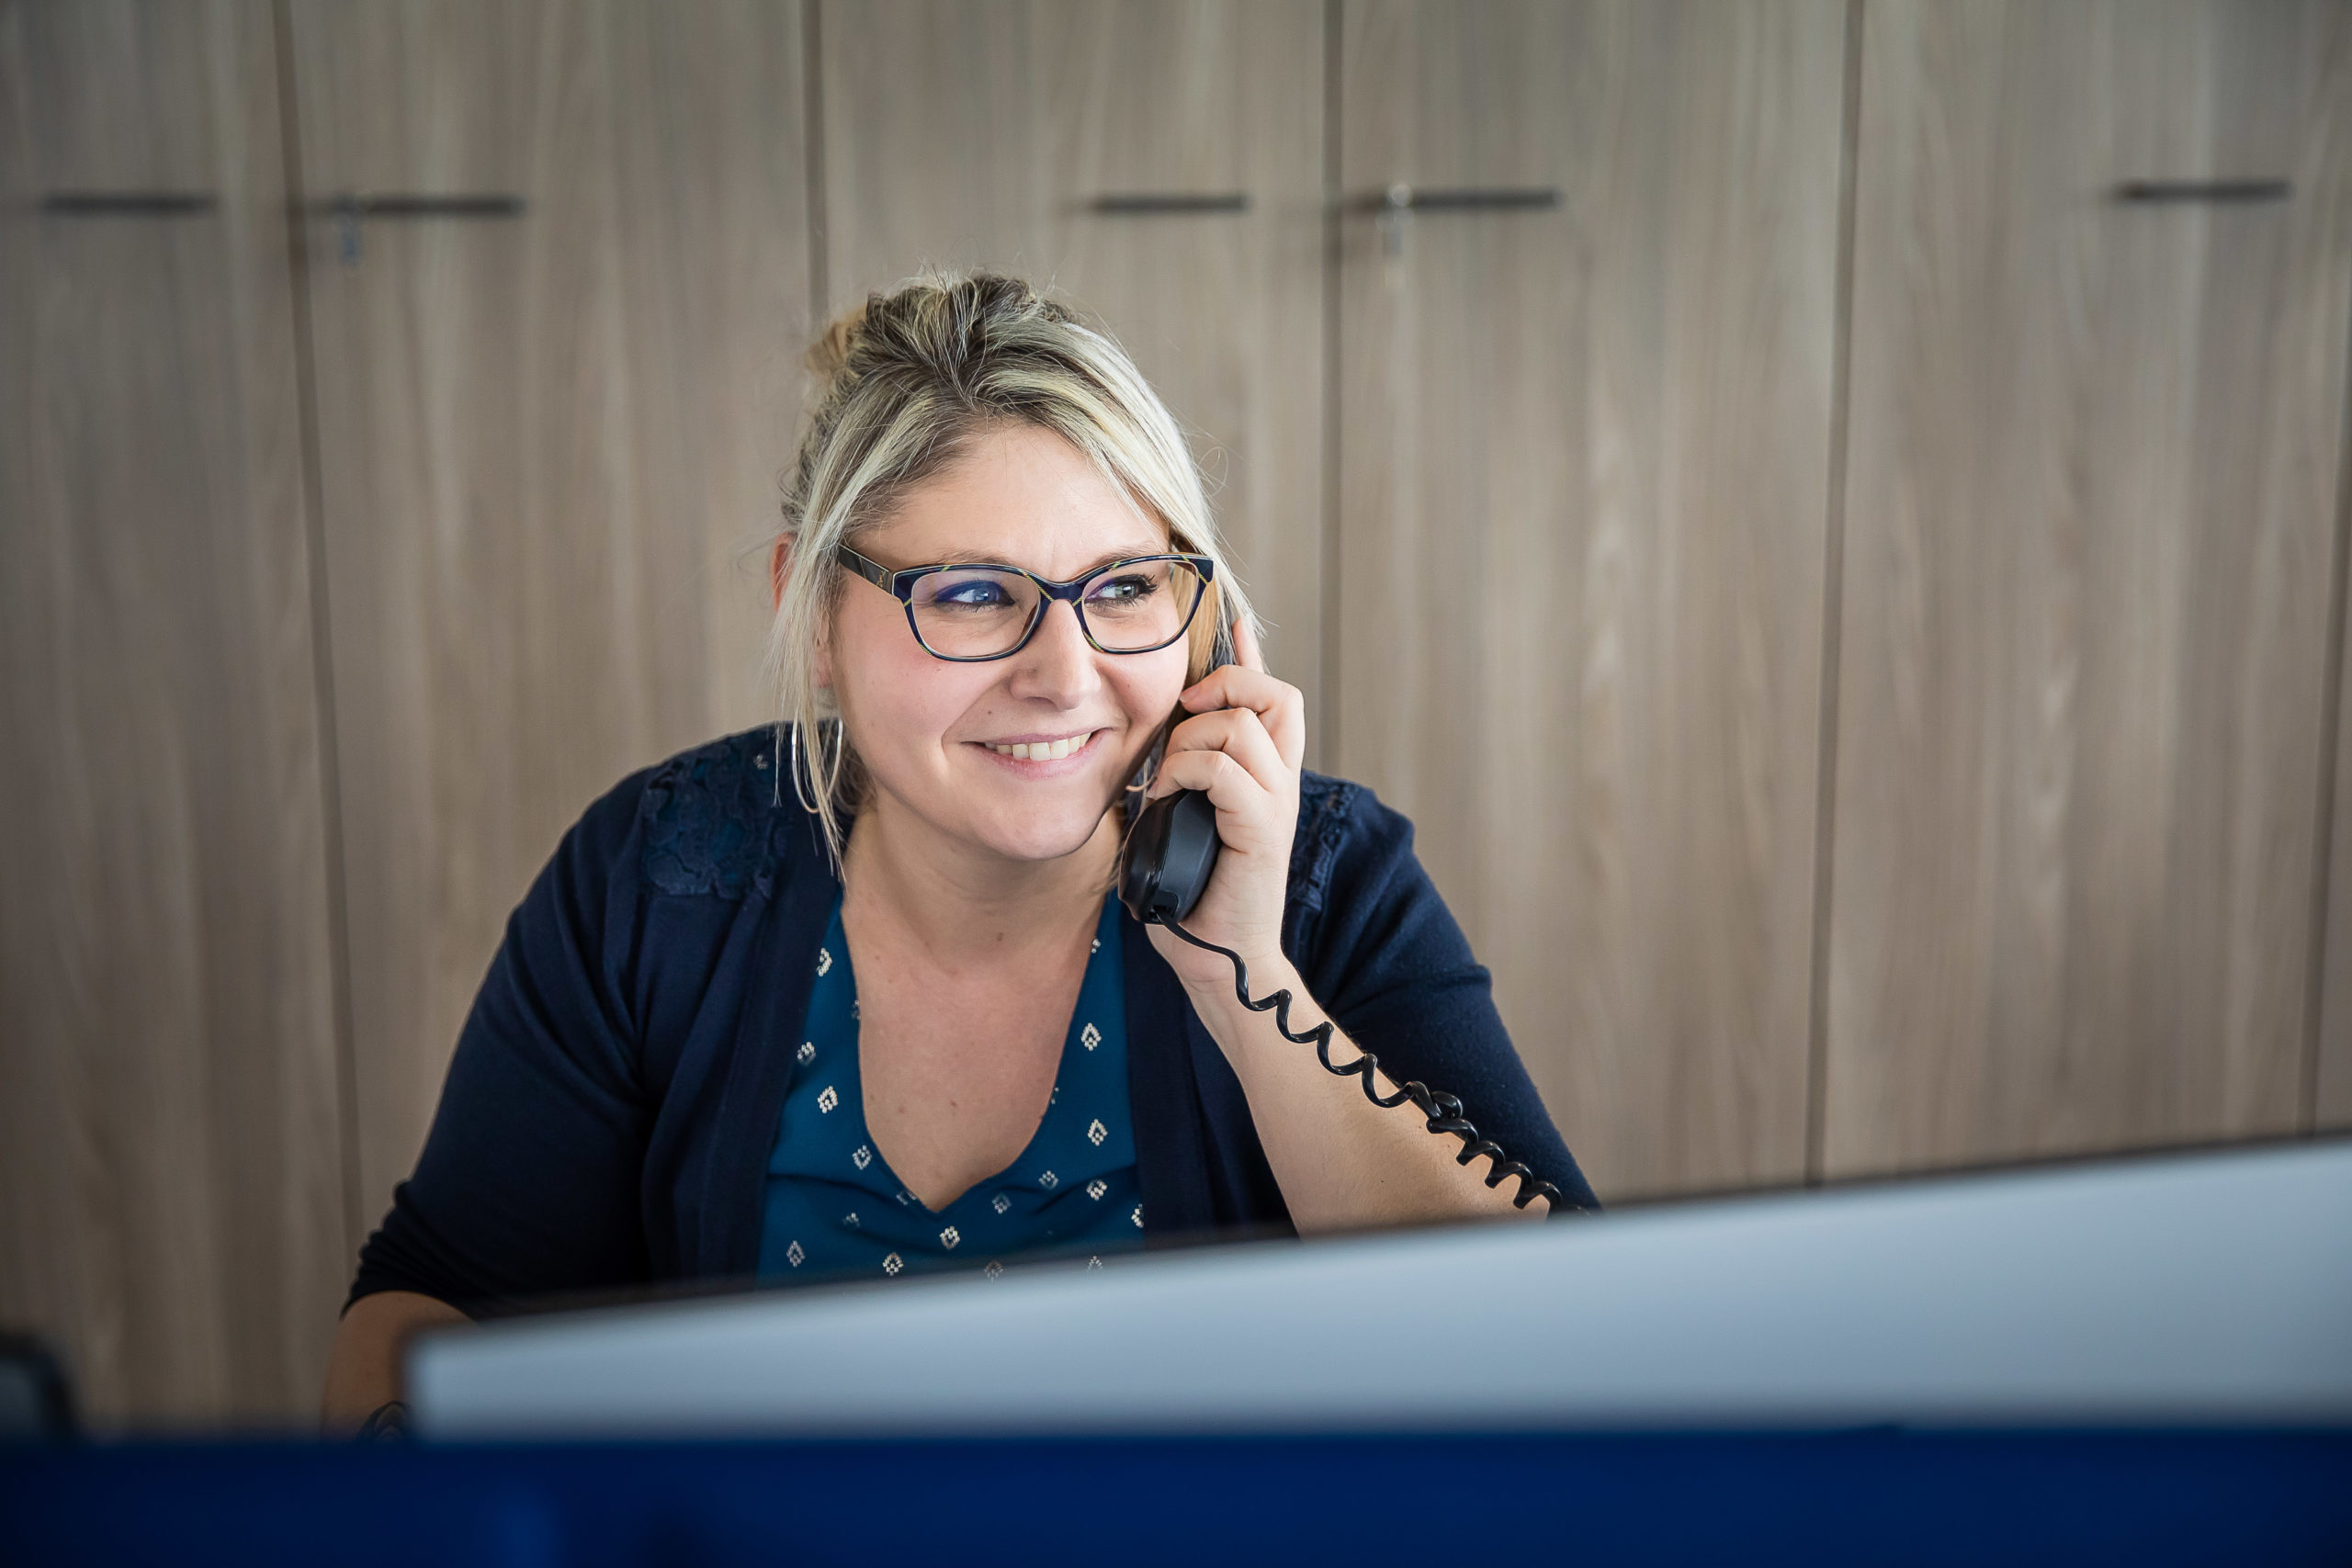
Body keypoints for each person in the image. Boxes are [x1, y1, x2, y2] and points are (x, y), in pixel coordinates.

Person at [322, 272, 1597, 1429]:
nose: (1066, 676)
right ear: (812, 614)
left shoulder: (1318, 872)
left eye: (1125, 588)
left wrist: (1243, 981)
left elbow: (1566, 1348)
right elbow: (435, 1303)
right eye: (976, 596)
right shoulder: (661, 877)